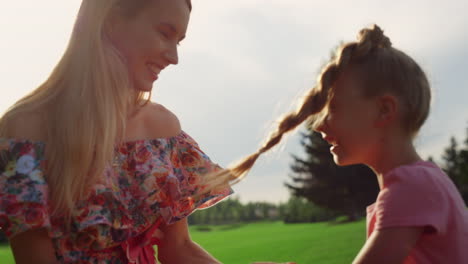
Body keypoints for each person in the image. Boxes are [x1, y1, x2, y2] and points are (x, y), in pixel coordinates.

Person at [208, 25, 468, 263]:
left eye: (333, 108)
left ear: (384, 111)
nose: (319, 125)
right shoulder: (421, 182)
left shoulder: (411, 187)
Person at [0, 0, 231, 263]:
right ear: (110, 22)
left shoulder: (163, 132)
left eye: (178, 41)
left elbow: (178, 248)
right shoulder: (27, 131)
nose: (173, 57)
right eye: (165, 33)